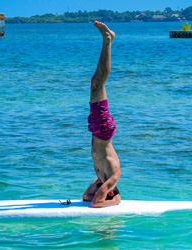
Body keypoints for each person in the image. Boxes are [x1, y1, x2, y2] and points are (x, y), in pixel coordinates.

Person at [81, 21, 121, 208]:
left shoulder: (102, 179)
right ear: (110, 191)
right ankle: (108, 40)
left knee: (95, 82)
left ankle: (108, 40)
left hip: (97, 130)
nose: (99, 190)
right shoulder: (113, 177)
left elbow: (87, 198)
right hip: (103, 130)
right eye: (105, 191)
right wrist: (114, 201)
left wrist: (100, 189)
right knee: (97, 82)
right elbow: (97, 203)